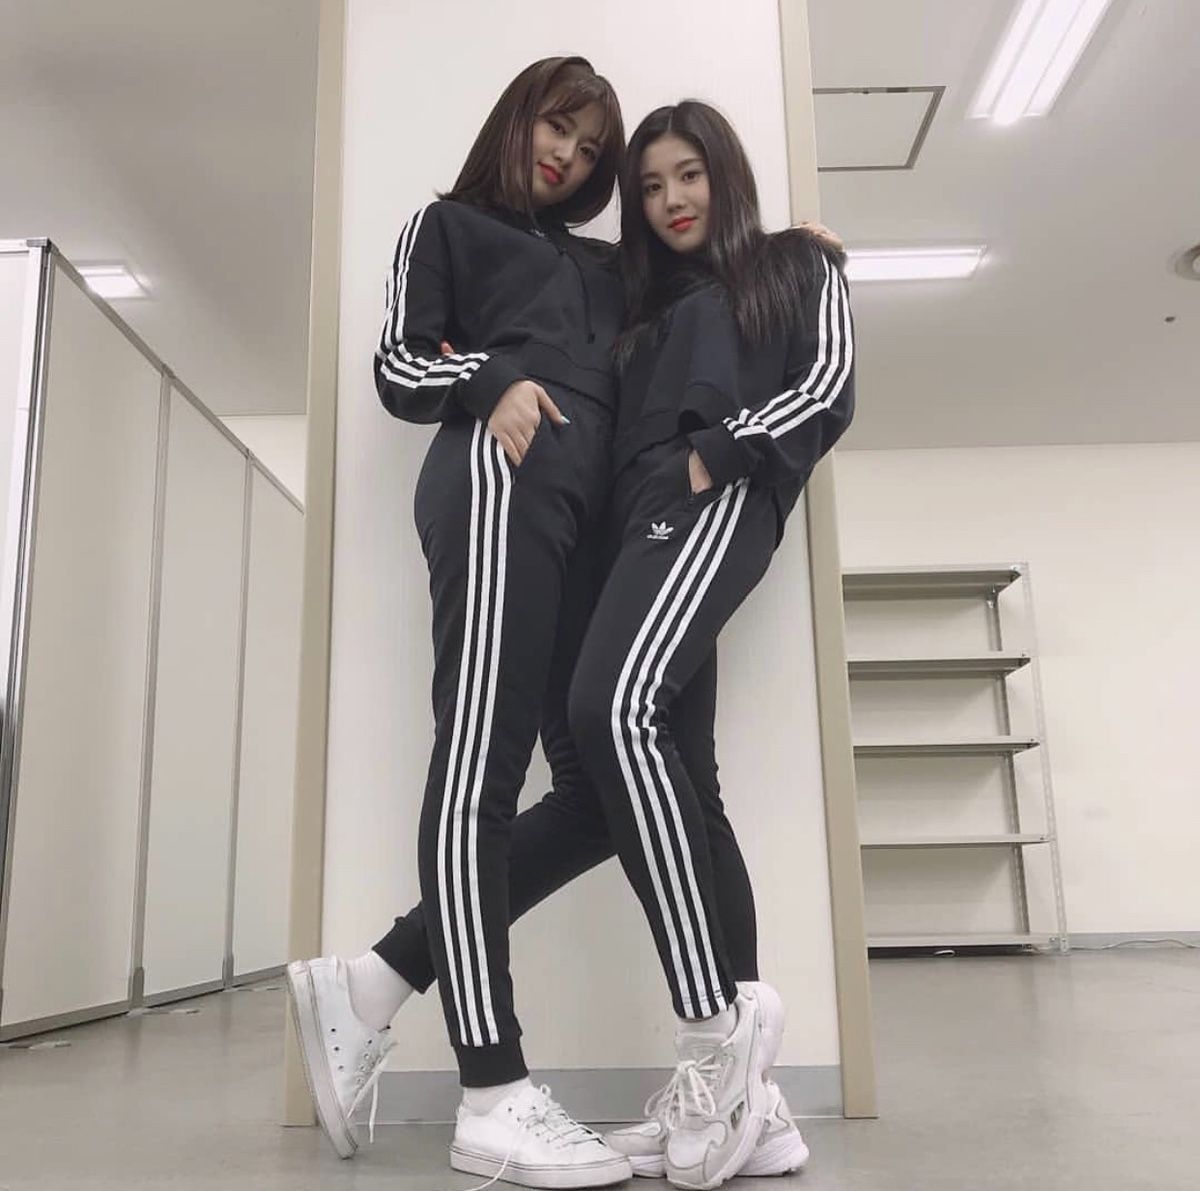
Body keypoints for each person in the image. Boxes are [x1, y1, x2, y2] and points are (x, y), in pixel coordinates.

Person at [286, 56, 638, 1189]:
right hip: (499, 479)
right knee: (483, 759)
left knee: (602, 792)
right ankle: (491, 1090)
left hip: (590, 517)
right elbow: (398, 362)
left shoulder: (603, 262)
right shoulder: (448, 226)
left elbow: (700, 279)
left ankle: (377, 980)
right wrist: (489, 380)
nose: (569, 157)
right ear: (518, 116)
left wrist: (795, 252)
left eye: (591, 150)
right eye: (558, 127)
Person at [560, 99, 855, 1190]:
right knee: (684, 770)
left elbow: (827, 388)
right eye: (650, 185)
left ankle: (715, 1031)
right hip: (637, 521)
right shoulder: (641, 300)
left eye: (689, 174)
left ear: (724, 174)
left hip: (711, 495)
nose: (672, 199)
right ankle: (751, 1106)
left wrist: (718, 454)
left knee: (611, 712)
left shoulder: (792, 266)